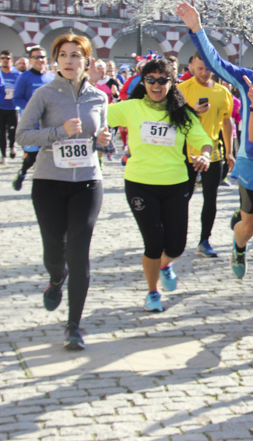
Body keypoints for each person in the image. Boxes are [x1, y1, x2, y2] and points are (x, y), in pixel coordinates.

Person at [176, 1, 253, 288]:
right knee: (250, 226)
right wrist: (197, 29)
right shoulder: (248, 80)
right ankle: (239, 245)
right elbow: (216, 62)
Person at [16, 33, 111, 350]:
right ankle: (56, 278)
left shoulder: (99, 97)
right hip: (49, 183)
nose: (70, 61)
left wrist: (103, 143)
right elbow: (22, 134)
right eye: (64, 55)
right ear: (56, 60)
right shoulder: (44, 94)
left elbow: (102, 137)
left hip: (87, 182)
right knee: (54, 252)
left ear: (87, 61)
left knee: (79, 251)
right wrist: (59, 132)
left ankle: (74, 327)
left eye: (76, 55)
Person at [107, 57, 212, 313]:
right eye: (151, 80)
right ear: (143, 82)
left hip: (175, 184)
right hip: (140, 183)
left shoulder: (182, 113)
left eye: (162, 80)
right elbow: (97, 114)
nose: (156, 85)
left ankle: (166, 264)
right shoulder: (130, 108)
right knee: (153, 243)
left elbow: (203, 140)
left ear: (172, 82)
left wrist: (205, 155)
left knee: (176, 246)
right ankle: (152, 292)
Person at [177, 52, 235, 257]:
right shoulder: (181, 90)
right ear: (191, 66)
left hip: (213, 153)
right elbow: (171, 120)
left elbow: (227, 122)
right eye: (200, 68)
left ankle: (204, 240)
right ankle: (177, 238)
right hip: (185, 153)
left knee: (211, 198)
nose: (204, 72)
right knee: (183, 197)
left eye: (207, 68)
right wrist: (192, 110)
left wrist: (230, 151)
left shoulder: (223, 92)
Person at [12, 45, 55, 190]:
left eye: (42, 57)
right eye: (36, 57)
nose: (40, 60)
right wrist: (33, 108)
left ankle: (45, 184)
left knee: (48, 155)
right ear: (31, 59)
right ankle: (22, 173)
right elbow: (17, 99)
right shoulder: (24, 77)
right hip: (31, 125)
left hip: (48, 124)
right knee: (32, 156)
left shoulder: (51, 77)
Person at [0, 49, 21, 164]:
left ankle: (12, 146)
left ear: (11, 61)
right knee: (1, 132)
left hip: (13, 108)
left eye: (7, 58)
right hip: (0, 107)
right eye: (3, 58)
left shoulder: (17, 74)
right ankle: (3, 155)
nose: (5, 60)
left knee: (12, 131)